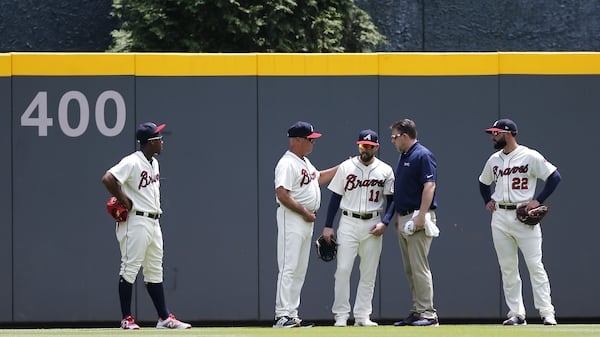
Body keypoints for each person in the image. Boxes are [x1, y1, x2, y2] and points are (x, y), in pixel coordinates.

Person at [102, 122, 191, 330]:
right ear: (150, 142)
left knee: (154, 270)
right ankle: (127, 319)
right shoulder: (132, 161)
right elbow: (108, 178)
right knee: (130, 268)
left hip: (153, 221)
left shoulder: (154, 163)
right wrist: (123, 198)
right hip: (136, 220)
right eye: (159, 138)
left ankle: (164, 318)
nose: (162, 141)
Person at [478, 118, 561, 326]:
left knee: (535, 265)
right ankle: (516, 313)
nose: (493, 136)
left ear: (508, 133)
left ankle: (546, 312)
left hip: (523, 215)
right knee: (508, 267)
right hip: (500, 217)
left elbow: (554, 177)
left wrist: (538, 200)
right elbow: (483, 182)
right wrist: (487, 200)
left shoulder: (529, 155)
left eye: (496, 133)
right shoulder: (494, 159)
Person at [321, 129, 394, 327]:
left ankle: (362, 315)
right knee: (343, 269)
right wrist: (328, 226)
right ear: (358, 145)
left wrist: (385, 222)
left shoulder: (386, 170)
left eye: (369, 146)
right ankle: (341, 315)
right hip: (348, 221)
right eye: (362, 145)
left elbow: (391, 200)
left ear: (376, 147)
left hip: (373, 223)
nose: (365, 149)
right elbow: (335, 197)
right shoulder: (346, 167)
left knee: (368, 272)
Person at [273, 121, 338, 328]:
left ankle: (292, 314)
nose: (313, 143)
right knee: (288, 267)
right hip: (292, 217)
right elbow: (281, 193)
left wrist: (343, 167)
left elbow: (318, 179)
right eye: (310, 139)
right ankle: (281, 315)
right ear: (298, 140)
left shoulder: (304, 162)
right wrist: (303, 211)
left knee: (299, 269)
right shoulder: (287, 163)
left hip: (305, 219)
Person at [385, 119, 440, 327]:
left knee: (419, 267)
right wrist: (400, 216)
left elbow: (429, 185)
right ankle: (417, 311)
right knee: (410, 269)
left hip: (418, 216)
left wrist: (420, 216)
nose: (392, 140)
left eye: (394, 136)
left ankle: (428, 314)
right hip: (406, 216)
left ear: (405, 136)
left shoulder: (422, 154)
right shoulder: (405, 155)